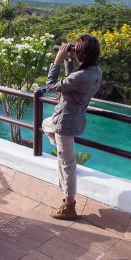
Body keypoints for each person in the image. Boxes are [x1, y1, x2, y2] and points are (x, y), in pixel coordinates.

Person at [42, 34, 102, 220]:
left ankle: (69, 205)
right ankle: (64, 155)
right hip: (75, 118)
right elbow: (72, 82)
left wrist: (57, 62)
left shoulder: (81, 76)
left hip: (66, 122)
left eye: (77, 50)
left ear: (82, 54)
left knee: (67, 164)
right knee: (46, 124)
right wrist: (70, 61)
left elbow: (51, 86)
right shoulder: (96, 70)